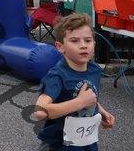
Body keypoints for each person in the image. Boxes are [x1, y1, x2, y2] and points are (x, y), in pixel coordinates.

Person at [34, 13, 115, 150]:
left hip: (86, 141)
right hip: (59, 144)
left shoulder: (94, 69)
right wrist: (80, 102)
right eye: (74, 41)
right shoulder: (57, 76)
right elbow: (40, 111)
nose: (83, 45)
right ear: (60, 47)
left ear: (94, 44)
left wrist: (101, 111)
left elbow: (89, 96)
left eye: (88, 40)